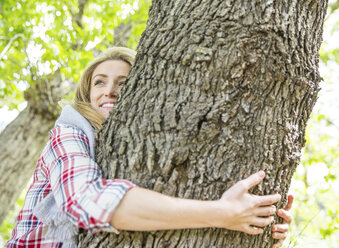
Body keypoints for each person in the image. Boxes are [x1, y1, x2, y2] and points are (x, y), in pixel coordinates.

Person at [6, 47, 293, 248]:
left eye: (123, 81)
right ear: (87, 94)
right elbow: (82, 199)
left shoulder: (143, 141)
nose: (109, 91)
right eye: (99, 82)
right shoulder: (68, 133)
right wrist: (221, 212)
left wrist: (264, 225)